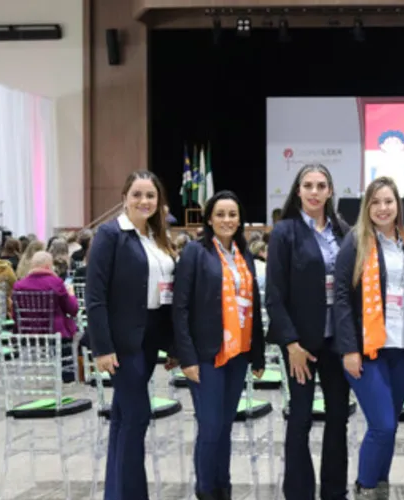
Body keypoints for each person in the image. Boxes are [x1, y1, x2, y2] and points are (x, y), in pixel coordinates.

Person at [87, 170, 177, 500]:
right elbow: (95, 296)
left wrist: (172, 345)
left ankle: (117, 494)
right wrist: (102, 347)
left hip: (152, 338)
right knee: (137, 416)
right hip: (122, 343)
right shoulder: (110, 235)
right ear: (124, 197)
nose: (144, 201)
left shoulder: (157, 237)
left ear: (159, 201)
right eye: (137, 194)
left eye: (150, 195)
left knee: (124, 418)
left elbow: (164, 294)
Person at [333, 177, 404, 500]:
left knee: (390, 427)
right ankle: (365, 487)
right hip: (367, 351)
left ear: (397, 205)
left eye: (388, 201)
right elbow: (342, 298)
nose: (383, 208)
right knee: (382, 425)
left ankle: (380, 486)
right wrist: (348, 349)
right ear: (366, 207)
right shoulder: (355, 242)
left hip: (402, 350)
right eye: (376, 202)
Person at [172, 191, 266, 500]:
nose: (227, 220)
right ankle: (206, 490)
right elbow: (180, 307)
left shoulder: (243, 253)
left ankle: (222, 487)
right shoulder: (195, 253)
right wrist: (186, 357)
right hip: (206, 356)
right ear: (209, 218)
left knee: (225, 426)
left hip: (238, 353)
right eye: (221, 214)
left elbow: (253, 304)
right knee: (210, 426)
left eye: (233, 215)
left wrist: (258, 354)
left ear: (240, 220)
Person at [266, 164, 352, 500]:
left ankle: (334, 492)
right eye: (308, 185)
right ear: (298, 191)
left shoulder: (344, 231)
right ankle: (299, 493)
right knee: (299, 419)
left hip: (337, 342)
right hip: (301, 345)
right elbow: (274, 294)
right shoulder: (285, 232)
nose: (314, 192)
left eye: (321, 185)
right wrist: (291, 343)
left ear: (330, 191)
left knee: (337, 419)